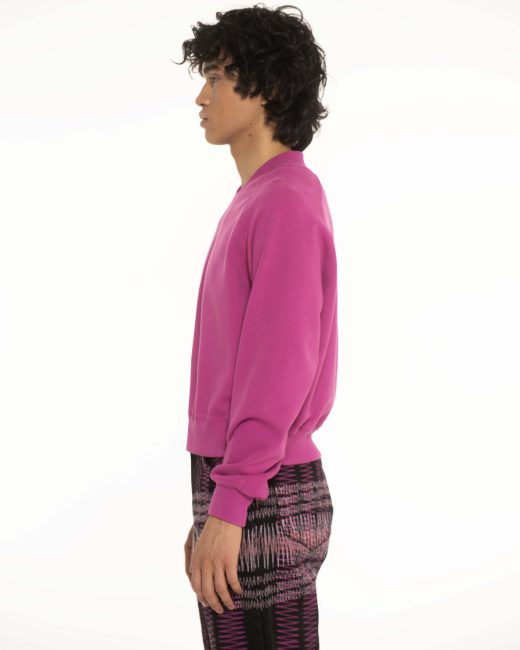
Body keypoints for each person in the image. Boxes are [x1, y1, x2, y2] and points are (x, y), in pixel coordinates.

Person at [174, 4, 338, 648]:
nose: (202, 96)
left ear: (264, 87)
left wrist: (231, 502)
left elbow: (278, 371)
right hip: (245, 483)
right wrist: (215, 503)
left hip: (262, 491)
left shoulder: (284, 203)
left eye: (217, 77)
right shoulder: (259, 199)